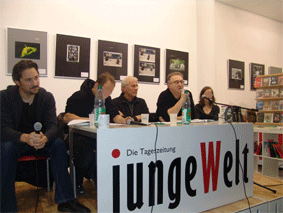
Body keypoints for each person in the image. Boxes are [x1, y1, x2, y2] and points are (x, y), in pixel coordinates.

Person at [0, 60, 90, 212]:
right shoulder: (5, 97)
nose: (35, 83)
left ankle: (66, 201)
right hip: (18, 142)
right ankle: (6, 207)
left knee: (58, 144)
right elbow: (3, 129)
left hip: (41, 142)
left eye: (36, 77)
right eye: (29, 80)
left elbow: (53, 126)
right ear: (17, 81)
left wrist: (46, 138)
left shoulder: (46, 97)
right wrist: (25, 137)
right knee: (6, 147)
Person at [63, 73, 128, 195]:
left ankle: (108, 181)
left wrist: (123, 120)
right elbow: (66, 117)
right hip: (78, 136)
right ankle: (77, 182)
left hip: (97, 136)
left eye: (111, 91)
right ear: (97, 85)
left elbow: (114, 115)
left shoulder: (107, 99)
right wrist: (90, 119)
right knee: (85, 152)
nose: (108, 94)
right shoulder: (79, 96)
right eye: (106, 89)